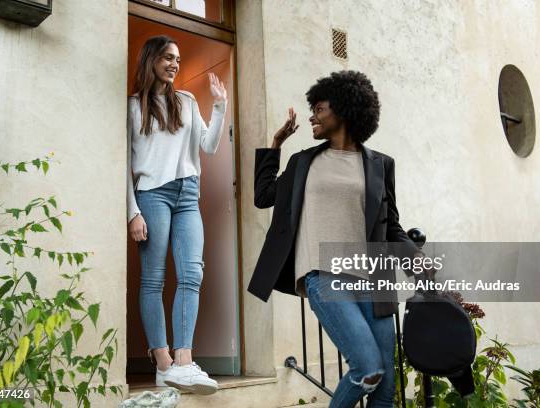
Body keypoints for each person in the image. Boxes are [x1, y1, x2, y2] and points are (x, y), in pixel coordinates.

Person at [248, 70, 423, 407]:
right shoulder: (303, 163)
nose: (311, 115)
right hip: (324, 276)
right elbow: (263, 195)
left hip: (374, 282)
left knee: (385, 387)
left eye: (319, 108)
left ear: (342, 109)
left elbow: (391, 228)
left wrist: (421, 266)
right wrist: (276, 144)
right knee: (368, 369)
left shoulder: (380, 165)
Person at [127, 35, 226, 395]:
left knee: (191, 275)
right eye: (168, 57)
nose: (174, 64)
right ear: (151, 58)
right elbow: (124, 164)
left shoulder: (185, 100)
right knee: (153, 280)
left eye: (178, 60)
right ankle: (163, 363)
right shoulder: (133, 107)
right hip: (151, 195)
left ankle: (184, 362)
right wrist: (132, 211)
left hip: (187, 194)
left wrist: (219, 107)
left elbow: (209, 146)